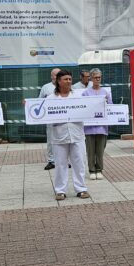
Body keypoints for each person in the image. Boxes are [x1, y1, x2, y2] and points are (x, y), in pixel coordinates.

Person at [48, 70, 90, 200]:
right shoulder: (50, 98)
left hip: (77, 134)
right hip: (59, 136)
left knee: (79, 163)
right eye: (65, 79)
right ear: (58, 81)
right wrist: (28, 106)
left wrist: (101, 101)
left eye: (70, 79)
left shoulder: (79, 95)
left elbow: (90, 106)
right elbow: (41, 112)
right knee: (60, 164)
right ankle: (60, 190)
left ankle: (81, 189)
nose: (68, 82)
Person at [82, 68, 112, 180]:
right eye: (95, 77)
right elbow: (83, 108)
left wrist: (108, 100)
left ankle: (99, 169)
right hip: (89, 127)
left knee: (100, 150)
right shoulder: (86, 93)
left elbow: (111, 108)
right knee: (90, 150)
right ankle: (92, 170)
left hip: (102, 127)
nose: (97, 79)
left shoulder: (106, 92)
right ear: (91, 78)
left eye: (99, 77)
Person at [39, 67, 61, 170]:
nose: (56, 77)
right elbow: (39, 102)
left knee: (64, 140)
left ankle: (64, 160)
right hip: (50, 118)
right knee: (50, 140)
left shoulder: (66, 86)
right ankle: (51, 161)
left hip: (63, 118)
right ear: (51, 76)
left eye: (58, 75)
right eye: (55, 75)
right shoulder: (45, 87)